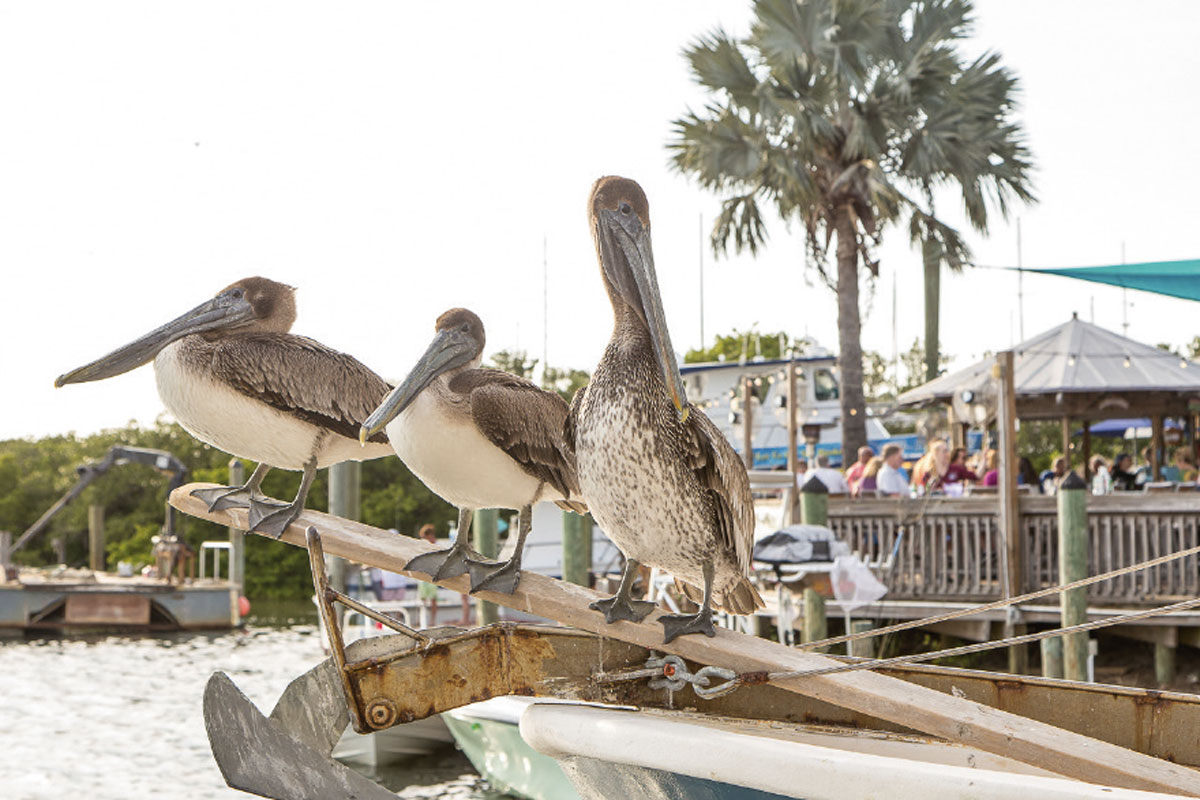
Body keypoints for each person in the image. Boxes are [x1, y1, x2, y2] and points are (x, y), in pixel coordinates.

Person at [415, 524, 440, 628]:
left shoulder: (435, 545)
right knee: (423, 598)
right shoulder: (424, 545)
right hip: (424, 574)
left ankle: (432, 620)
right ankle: (422, 620)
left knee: (432, 599)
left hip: (431, 574)